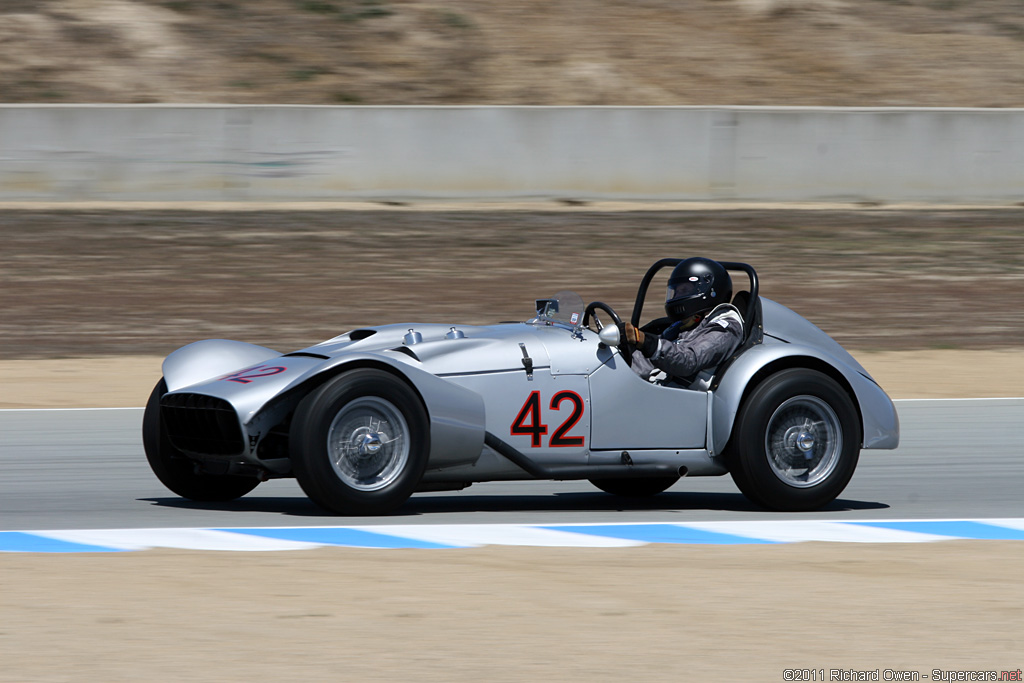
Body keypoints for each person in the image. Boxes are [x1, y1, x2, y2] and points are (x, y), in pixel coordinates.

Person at [624, 257, 744, 386]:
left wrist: (646, 342)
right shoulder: (688, 323)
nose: (677, 297)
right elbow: (644, 363)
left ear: (710, 291)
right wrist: (622, 357)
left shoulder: (725, 329)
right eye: (676, 292)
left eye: (685, 291)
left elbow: (689, 360)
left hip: (682, 397)